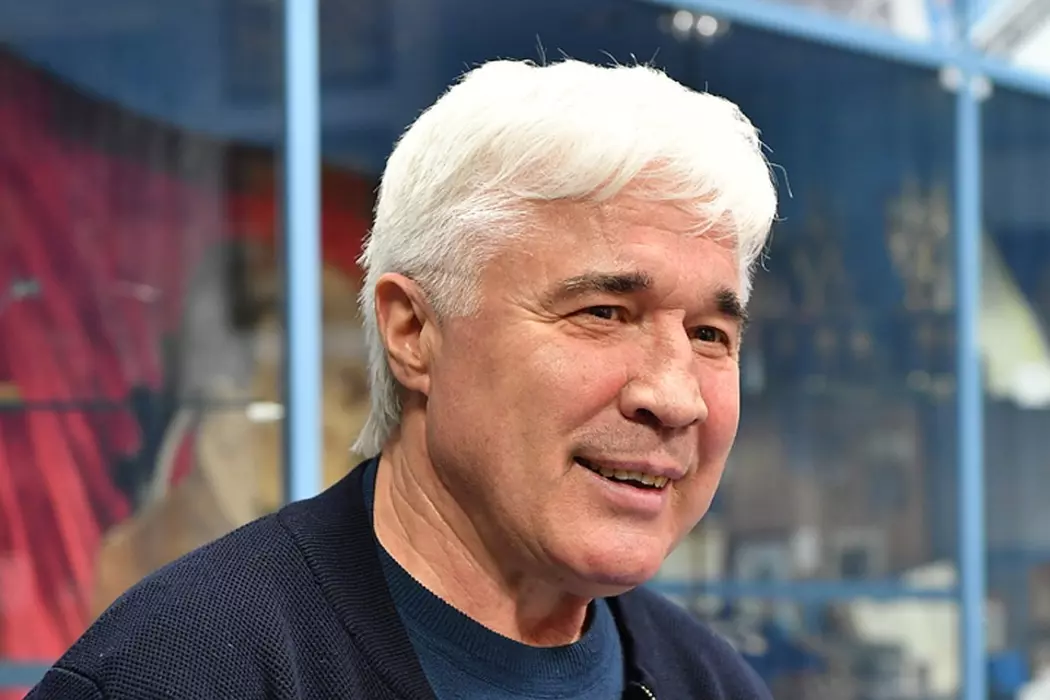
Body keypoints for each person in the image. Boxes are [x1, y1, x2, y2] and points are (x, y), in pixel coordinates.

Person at [28, 58, 777, 700]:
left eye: (709, 335)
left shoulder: (712, 682)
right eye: (603, 313)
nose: (675, 396)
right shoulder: (173, 674)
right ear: (414, 333)